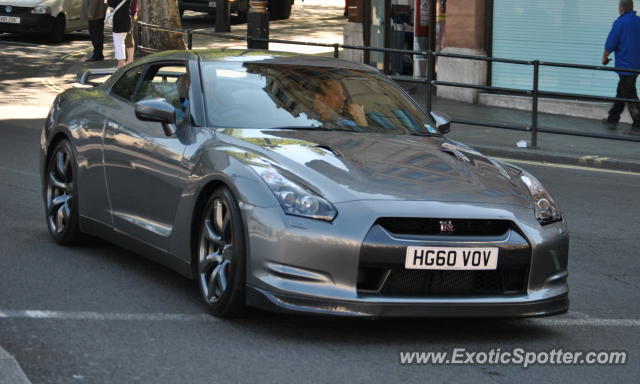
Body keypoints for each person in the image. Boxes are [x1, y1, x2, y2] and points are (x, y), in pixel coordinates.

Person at [602, 0, 640, 135]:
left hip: (625, 65)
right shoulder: (638, 21)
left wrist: (605, 57)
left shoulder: (620, 22)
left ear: (622, 8)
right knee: (622, 90)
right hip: (636, 65)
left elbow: (612, 41)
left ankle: (638, 124)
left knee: (630, 94)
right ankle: (613, 117)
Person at [108, 0, 132, 68]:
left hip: (118, 19)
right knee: (121, 42)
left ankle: (121, 63)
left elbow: (111, 5)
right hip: (127, 17)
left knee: (118, 42)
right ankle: (121, 63)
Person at [124, 0, 138, 65]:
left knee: (128, 36)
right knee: (126, 36)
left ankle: (130, 59)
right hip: (127, 13)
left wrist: (135, 13)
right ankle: (128, 58)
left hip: (129, 14)